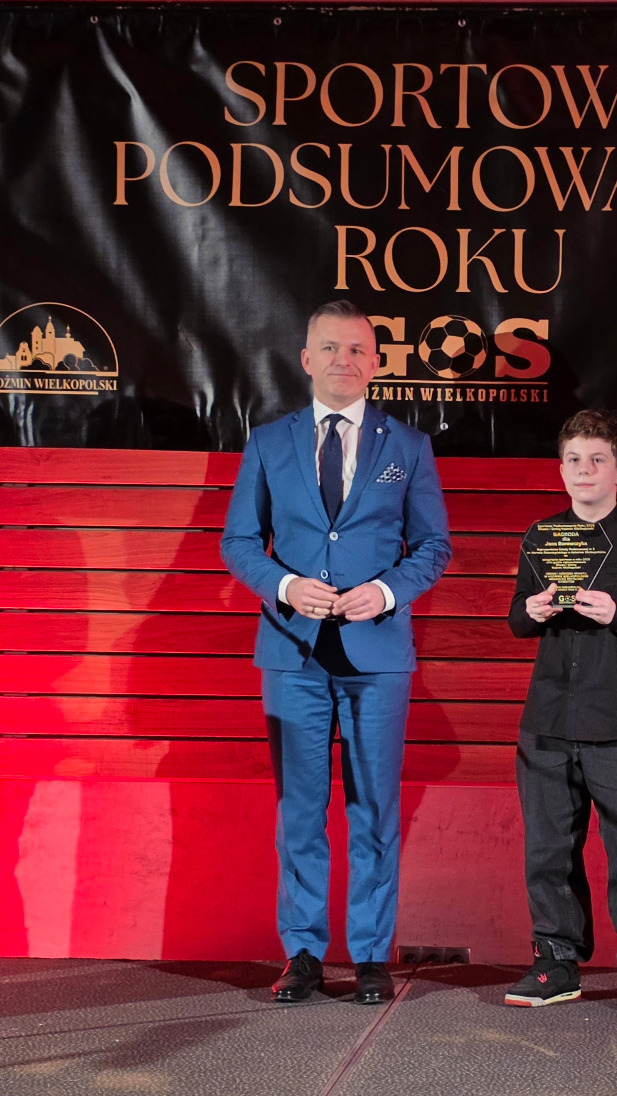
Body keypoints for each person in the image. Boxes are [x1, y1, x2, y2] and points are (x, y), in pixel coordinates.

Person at [221, 300, 451, 1005]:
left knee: (374, 809)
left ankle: (372, 955)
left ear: (376, 362)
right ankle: (303, 953)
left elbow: (434, 547)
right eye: (329, 347)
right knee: (301, 809)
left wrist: (384, 593)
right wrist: (285, 585)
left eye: (356, 349)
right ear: (306, 359)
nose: (343, 360)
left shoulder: (408, 447)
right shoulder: (268, 442)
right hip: (291, 654)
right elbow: (238, 542)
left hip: (377, 658)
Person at [505, 410, 617, 1014]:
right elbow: (517, 618)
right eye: (574, 460)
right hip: (548, 718)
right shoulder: (541, 534)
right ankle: (556, 961)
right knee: (548, 848)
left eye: (598, 460)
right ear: (561, 469)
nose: (584, 470)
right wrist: (535, 610)